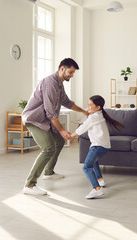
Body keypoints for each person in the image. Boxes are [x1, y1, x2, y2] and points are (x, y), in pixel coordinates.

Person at [22, 58, 89, 196]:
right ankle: (29, 185)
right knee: (48, 148)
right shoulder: (50, 83)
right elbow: (50, 112)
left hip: (44, 119)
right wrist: (62, 130)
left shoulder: (59, 84)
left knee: (59, 142)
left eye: (73, 73)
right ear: (62, 68)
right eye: (70, 72)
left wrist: (83, 111)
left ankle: (48, 172)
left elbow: (66, 102)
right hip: (34, 119)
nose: (71, 75)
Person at [70, 95, 124, 199]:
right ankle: (100, 180)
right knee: (93, 162)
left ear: (98, 107)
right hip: (104, 147)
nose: (88, 107)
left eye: (90, 105)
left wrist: (70, 135)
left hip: (98, 146)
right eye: (88, 104)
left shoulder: (94, 117)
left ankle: (97, 189)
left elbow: (83, 128)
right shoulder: (100, 114)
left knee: (86, 167)